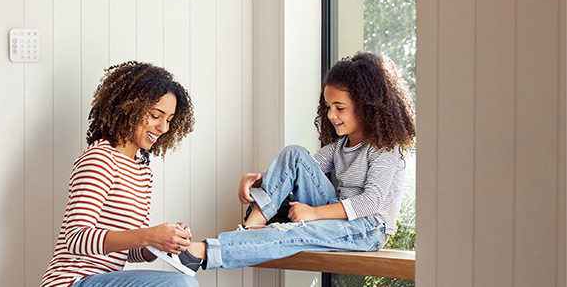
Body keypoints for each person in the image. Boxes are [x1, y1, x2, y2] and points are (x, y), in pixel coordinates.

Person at [151, 52, 416, 273]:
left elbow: (370, 202)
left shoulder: (385, 148)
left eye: (340, 107)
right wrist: (259, 179)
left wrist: (313, 214)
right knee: (295, 153)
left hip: (367, 229)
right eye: (328, 106)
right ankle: (253, 225)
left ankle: (201, 253)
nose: (331, 114)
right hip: (337, 215)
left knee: (293, 232)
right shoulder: (339, 145)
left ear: (368, 107)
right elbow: (296, 168)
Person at [41, 61, 198, 287]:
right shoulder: (100, 159)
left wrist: (161, 243)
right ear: (130, 108)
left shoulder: (143, 173)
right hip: (71, 282)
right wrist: (150, 235)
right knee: (182, 285)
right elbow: (76, 238)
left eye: (169, 120)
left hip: (103, 280)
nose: (163, 128)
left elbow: (131, 252)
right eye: (156, 115)